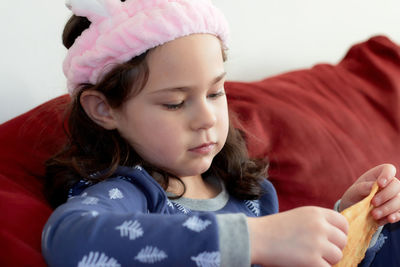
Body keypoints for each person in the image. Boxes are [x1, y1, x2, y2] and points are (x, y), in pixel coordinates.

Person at [42, 0, 400, 266]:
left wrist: (350, 225)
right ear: (104, 109)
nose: (206, 118)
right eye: (175, 103)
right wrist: (253, 238)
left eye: (215, 93)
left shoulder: (250, 191)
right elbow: (68, 240)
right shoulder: (129, 193)